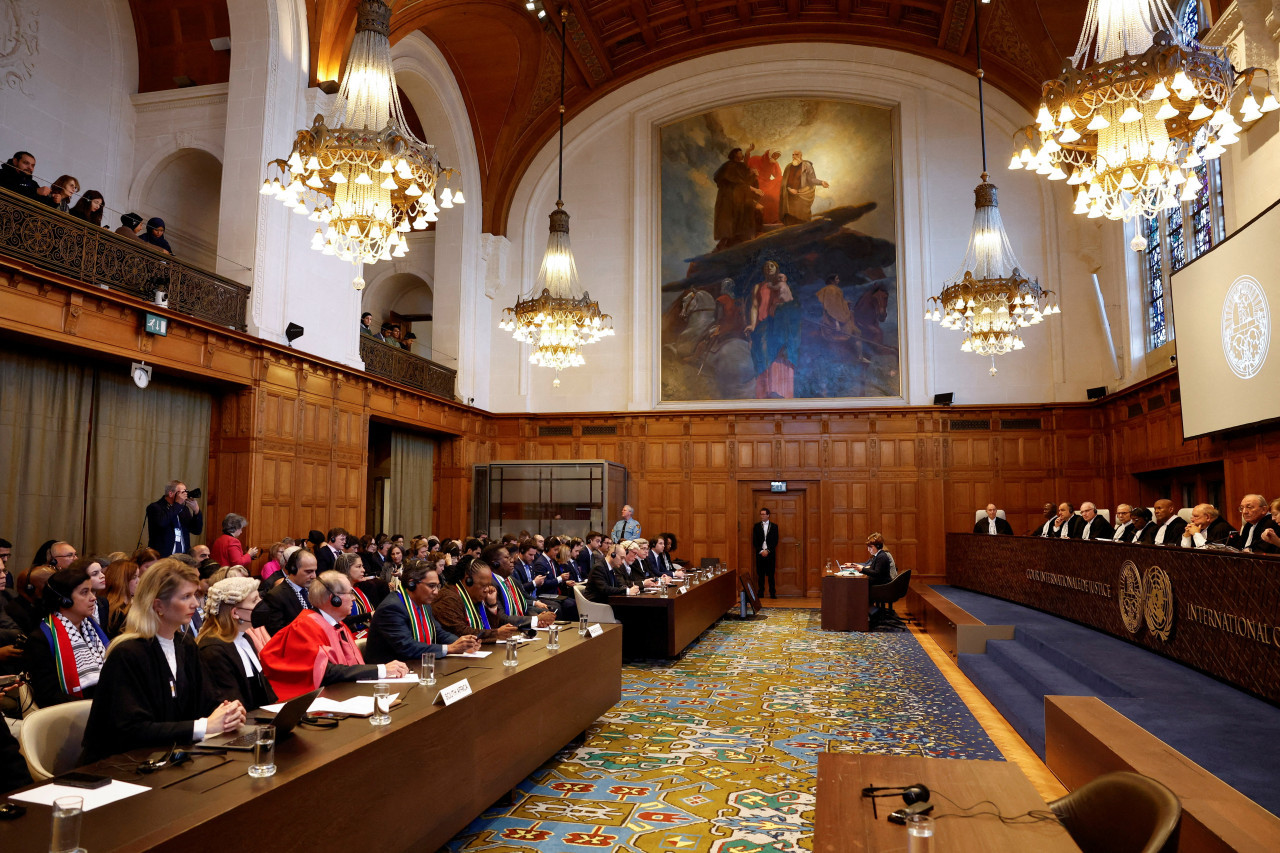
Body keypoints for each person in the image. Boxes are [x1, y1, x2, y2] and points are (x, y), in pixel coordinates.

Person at [80, 559, 247, 764]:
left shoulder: (185, 646)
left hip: (168, 757)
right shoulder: (127, 654)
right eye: (186, 596)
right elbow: (132, 729)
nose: (195, 603)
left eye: (194, 595)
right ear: (158, 604)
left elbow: (206, 700)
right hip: (119, 767)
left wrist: (228, 711)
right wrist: (204, 726)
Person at [258, 571, 408, 701]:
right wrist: (380, 670)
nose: (354, 599)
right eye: (350, 593)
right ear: (333, 599)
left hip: (347, 693)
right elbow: (326, 672)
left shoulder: (338, 624)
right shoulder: (304, 627)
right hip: (314, 701)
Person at [24, 567, 110, 707]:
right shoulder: (41, 639)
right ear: (64, 600)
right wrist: (97, 706)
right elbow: (48, 695)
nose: (93, 597)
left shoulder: (93, 629)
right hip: (71, 714)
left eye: (91, 591)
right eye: (84, 592)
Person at [364, 564, 480, 665]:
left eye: (437, 586)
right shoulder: (391, 608)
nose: (436, 592)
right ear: (411, 584)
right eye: (431, 586)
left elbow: (438, 633)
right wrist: (450, 648)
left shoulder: (424, 603)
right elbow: (407, 646)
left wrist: (464, 643)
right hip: (389, 674)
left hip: (414, 666)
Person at [196, 577, 276, 710]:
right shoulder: (213, 649)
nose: (261, 603)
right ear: (235, 613)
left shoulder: (245, 638)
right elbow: (230, 702)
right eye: (255, 600)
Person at [432, 561, 520, 643]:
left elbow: (490, 627)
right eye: (483, 585)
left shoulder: (475, 596)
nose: (487, 590)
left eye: (489, 585)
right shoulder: (448, 598)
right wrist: (496, 633)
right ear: (468, 581)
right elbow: (460, 631)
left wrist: (491, 605)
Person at [252, 548, 317, 635]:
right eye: (309, 572)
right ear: (293, 569)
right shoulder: (275, 596)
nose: (314, 576)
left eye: (315, 571)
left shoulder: (313, 590)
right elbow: (278, 634)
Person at [712, 147, 762, 250]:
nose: (742, 154)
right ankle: (726, 243)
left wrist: (753, 174)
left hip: (739, 198)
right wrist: (753, 189)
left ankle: (739, 239)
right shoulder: (729, 166)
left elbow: (744, 179)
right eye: (740, 153)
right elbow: (737, 182)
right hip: (729, 198)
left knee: (742, 218)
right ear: (735, 154)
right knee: (730, 222)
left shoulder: (740, 166)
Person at [146, 480, 204, 557]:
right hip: (163, 557)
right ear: (171, 493)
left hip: (183, 557)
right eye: (182, 492)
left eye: (186, 492)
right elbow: (162, 523)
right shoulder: (155, 507)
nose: (185, 495)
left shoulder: (183, 509)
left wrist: (196, 511)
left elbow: (196, 530)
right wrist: (177, 504)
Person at [779, 150, 830, 224]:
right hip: (789, 196)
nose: (794, 156)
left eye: (796, 154)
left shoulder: (806, 165)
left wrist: (821, 182)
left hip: (802, 195)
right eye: (793, 155)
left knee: (803, 218)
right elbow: (785, 182)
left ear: (800, 155)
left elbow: (811, 179)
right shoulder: (788, 167)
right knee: (790, 218)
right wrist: (789, 189)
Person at [103, 559, 141, 638]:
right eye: (134, 577)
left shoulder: (134, 603)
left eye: (138, 576)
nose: (139, 581)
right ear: (122, 580)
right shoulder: (116, 611)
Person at [753, 508, 779, 598]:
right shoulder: (756, 526)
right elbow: (755, 541)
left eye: (764, 514)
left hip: (770, 554)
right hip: (760, 554)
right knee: (760, 575)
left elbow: (775, 541)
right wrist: (761, 551)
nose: (762, 516)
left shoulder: (774, 526)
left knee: (771, 575)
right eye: (761, 514)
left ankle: (772, 593)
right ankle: (761, 593)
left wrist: (768, 551)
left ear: (768, 515)